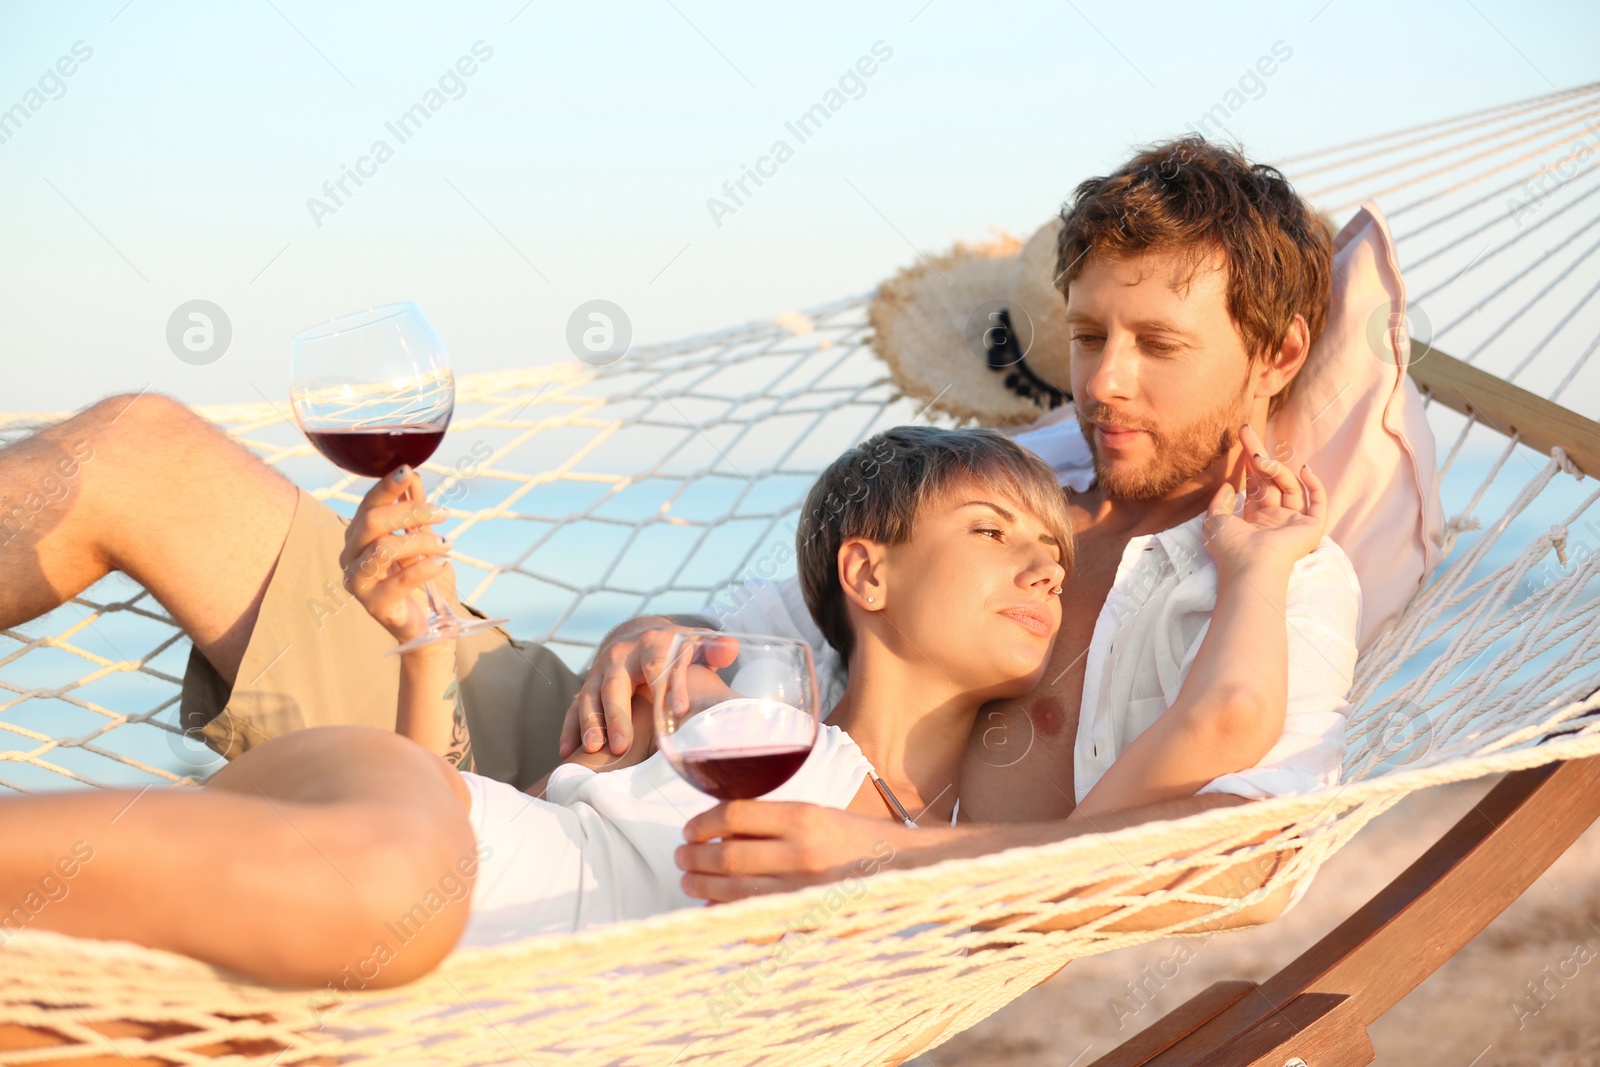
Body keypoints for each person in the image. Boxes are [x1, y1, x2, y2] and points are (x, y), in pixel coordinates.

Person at [0, 422, 1330, 986]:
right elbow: (481, 822)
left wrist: (1261, 562)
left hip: (388, 954)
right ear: (867, 570)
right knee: (400, 874)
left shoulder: (951, 843)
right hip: (407, 849)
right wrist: (423, 648)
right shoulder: (745, 704)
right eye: (996, 530)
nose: (1043, 564)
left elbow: (1222, 813)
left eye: (1054, 556)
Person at [566, 138, 1362, 911]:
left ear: (1279, 354)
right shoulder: (1005, 492)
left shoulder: (1279, 577)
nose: (1105, 382)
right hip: (665, 843)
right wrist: (650, 639)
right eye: (1088, 337)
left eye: (1158, 344)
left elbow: (1254, 860)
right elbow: (770, 630)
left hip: (900, 929)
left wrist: (879, 864)